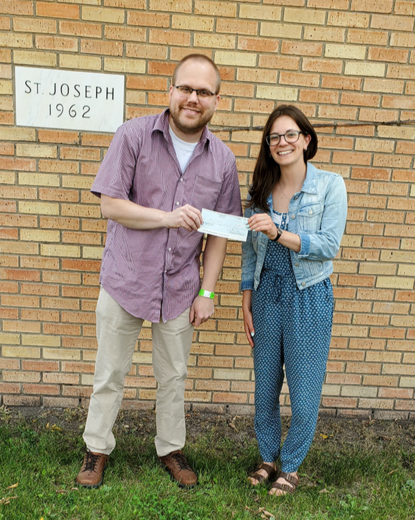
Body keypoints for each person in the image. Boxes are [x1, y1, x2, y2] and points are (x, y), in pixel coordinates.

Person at [76, 54, 242, 490]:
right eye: (185, 88)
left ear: (216, 101)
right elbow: (109, 204)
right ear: (169, 91)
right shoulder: (133, 136)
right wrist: (168, 217)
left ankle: (171, 448)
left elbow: (220, 234)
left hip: (181, 287)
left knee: (173, 376)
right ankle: (97, 449)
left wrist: (207, 293)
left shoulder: (222, 160)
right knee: (109, 372)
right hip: (126, 278)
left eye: (203, 92)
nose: (193, 98)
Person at [241, 105, 348, 496]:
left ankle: (292, 465)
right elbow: (250, 252)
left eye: (290, 135)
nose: (282, 142)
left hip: (309, 296)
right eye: (274, 137)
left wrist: (277, 232)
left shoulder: (330, 186)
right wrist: (245, 299)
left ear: (306, 140)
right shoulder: (260, 191)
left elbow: (329, 245)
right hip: (267, 293)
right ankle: (268, 458)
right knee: (265, 387)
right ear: (269, 146)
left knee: (304, 393)